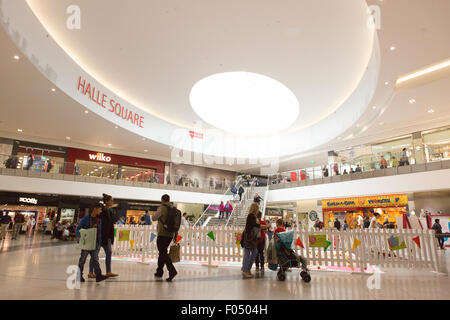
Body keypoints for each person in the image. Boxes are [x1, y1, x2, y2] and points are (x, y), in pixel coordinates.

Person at [88, 194, 119, 279]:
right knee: (95, 254)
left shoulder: (111, 211)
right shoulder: (101, 210)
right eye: (111, 200)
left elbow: (112, 221)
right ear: (107, 201)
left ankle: (108, 271)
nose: (113, 202)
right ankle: (90, 272)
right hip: (100, 235)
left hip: (107, 236)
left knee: (108, 253)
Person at [76, 204, 108, 283]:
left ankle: (99, 276)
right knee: (83, 259)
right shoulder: (86, 218)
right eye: (99, 209)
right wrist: (78, 236)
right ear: (95, 209)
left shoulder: (99, 219)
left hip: (96, 242)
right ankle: (79, 276)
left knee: (95, 259)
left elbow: (100, 231)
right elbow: (79, 228)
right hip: (87, 242)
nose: (100, 211)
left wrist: (100, 242)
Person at [152, 194, 178, 282]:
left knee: (163, 252)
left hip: (162, 233)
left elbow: (154, 218)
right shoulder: (174, 209)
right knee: (162, 252)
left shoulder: (162, 208)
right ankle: (159, 271)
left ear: (162, 200)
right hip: (170, 234)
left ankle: (172, 270)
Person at [241, 203, 261, 278]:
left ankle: (246, 269)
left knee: (251, 252)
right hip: (249, 237)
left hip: (250, 237)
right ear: (255, 209)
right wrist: (266, 226)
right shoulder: (251, 216)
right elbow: (257, 226)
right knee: (249, 253)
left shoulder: (252, 216)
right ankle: (246, 269)